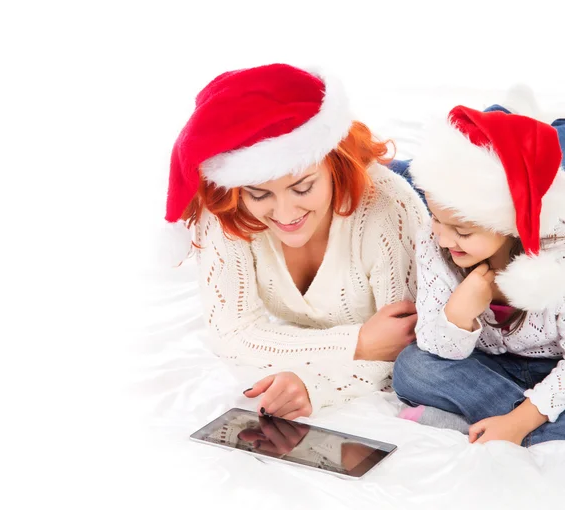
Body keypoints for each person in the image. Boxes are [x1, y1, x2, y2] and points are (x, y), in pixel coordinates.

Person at [163, 63, 428, 419]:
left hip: (406, 196)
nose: (285, 214)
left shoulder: (387, 205)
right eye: (260, 194)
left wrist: (314, 386)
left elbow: (404, 346)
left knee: (460, 184)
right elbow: (232, 338)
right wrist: (359, 342)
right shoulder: (228, 205)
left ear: (334, 165)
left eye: (302, 187)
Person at [391, 104, 565, 446]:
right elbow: (434, 347)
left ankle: (502, 426)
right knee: (412, 368)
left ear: (508, 222)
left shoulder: (556, 260)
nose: (441, 237)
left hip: (555, 370)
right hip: (485, 369)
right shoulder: (434, 241)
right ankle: (533, 431)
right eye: (437, 219)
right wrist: (458, 314)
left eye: (461, 230)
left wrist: (521, 419)